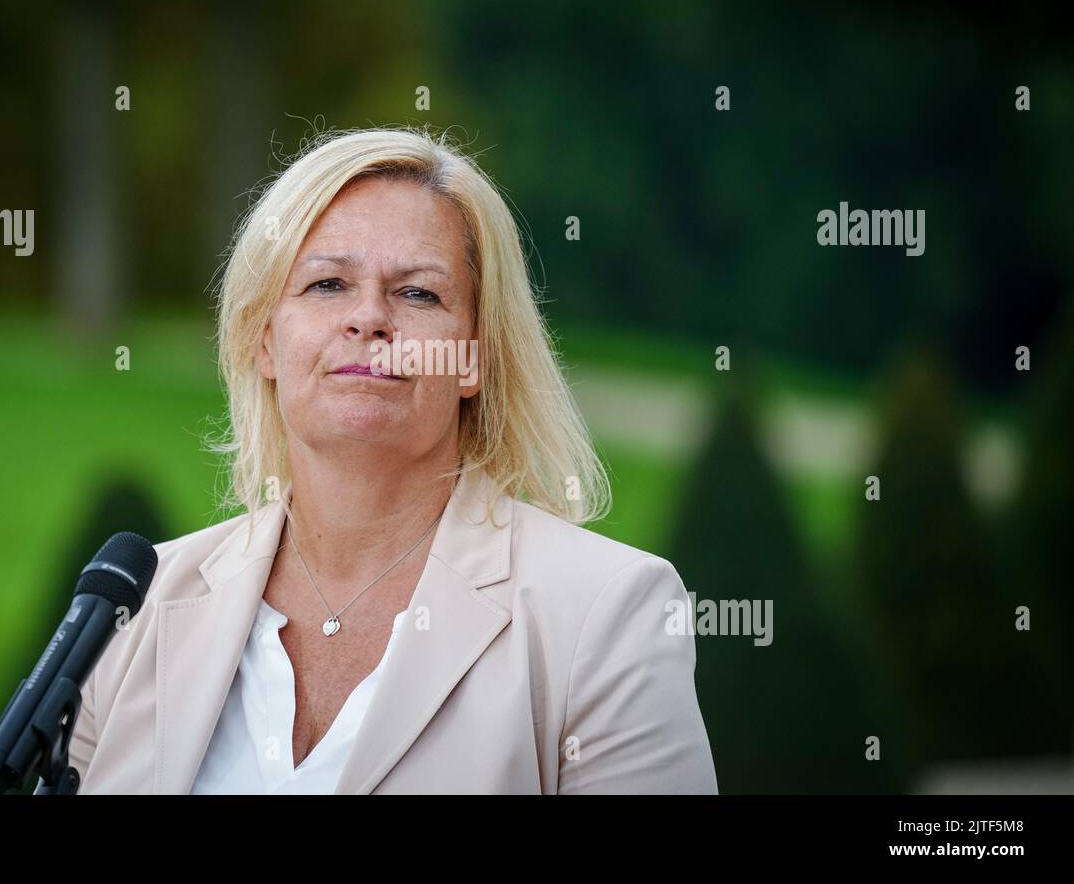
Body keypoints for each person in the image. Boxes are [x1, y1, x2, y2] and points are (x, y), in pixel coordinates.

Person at [67, 126, 717, 794]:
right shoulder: (134, 610)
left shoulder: (603, 614)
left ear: (475, 359)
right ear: (265, 342)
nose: (369, 318)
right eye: (326, 285)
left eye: (417, 294)